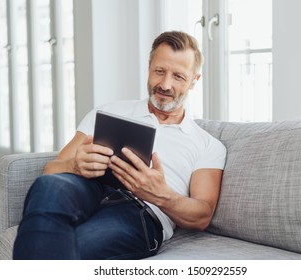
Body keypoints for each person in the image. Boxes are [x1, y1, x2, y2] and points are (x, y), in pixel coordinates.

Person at [13, 31, 227, 260]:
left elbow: (202, 216)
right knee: (49, 186)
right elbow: (50, 171)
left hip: (141, 211)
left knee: (70, 244)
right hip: (88, 187)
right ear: (148, 67)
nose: (165, 84)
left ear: (194, 80)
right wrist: (75, 166)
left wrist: (161, 194)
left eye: (178, 77)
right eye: (159, 71)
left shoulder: (208, 145)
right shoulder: (108, 112)